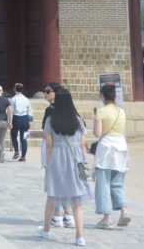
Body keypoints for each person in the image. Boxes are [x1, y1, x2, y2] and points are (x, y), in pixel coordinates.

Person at [30, 88, 90, 246]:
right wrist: (84, 161)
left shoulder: (51, 120)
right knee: (77, 202)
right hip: (75, 159)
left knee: (52, 197)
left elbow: (49, 144)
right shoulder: (78, 120)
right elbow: (83, 144)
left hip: (57, 158)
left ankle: (47, 230)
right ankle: (79, 236)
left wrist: (47, 163)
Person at [93, 83, 131, 230]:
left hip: (107, 148)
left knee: (103, 182)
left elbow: (97, 133)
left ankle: (107, 218)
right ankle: (124, 210)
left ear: (102, 96)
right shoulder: (122, 111)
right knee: (117, 182)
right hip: (121, 146)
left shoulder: (101, 111)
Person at [40, 82, 75, 229]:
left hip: (55, 150)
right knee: (65, 184)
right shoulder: (71, 112)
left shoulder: (50, 111)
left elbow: (47, 136)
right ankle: (69, 216)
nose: (45, 94)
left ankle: (57, 216)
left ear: (56, 93)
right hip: (69, 152)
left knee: (55, 185)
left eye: (48, 91)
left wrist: (47, 161)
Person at [10, 82, 34, 162]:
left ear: (15, 89)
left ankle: (16, 151)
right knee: (24, 139)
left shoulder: (13, 99)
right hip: (25, 119)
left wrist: (9, 122)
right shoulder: (26, 99)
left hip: (16, 118)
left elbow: (10, 112)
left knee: (13, 135)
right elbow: (29, 111)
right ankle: (23, 156)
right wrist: (30, 122)